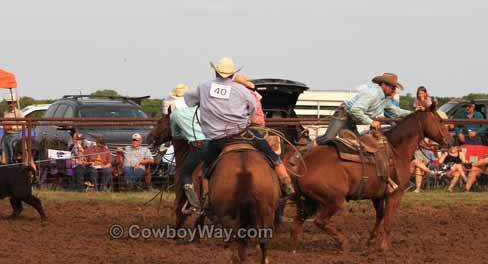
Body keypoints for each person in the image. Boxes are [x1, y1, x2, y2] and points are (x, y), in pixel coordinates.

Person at [183, 57, 294, 198]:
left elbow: (188, 100)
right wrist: (247, 119)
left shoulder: (204, 87)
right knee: (273, 157)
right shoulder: (242, 90)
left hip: (217, 140)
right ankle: (286, 182)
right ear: (232, 74)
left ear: (216, 72)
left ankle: (206, 196)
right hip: (243, 134)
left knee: (206, 168)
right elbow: (253, 108)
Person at [315, 73, 412, 145]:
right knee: (328, 138)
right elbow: (355, 109)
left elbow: (396, 111)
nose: (394, 90)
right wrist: (371, 122)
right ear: (383, 85)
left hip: (349, 118)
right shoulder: (372, 94)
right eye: (393, 87)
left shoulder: (385, 99)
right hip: (343, 114)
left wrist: (415, 113)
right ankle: (305, 151)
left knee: (357, 143)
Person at [170, 92, 208, 209]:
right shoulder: (199, 110)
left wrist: (186, 133)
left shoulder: (174, 115)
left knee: (185, 172)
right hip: (213, 143)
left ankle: (191, 195)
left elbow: (176, 135)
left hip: (198, 145)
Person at [1, 94, 24, 164]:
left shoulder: (19, 113)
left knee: (13, 154)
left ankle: (14, 167)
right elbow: (4, 125)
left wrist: (11, 127)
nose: (10, 104)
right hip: (6, 135)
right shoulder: (5, 113)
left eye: (11, 102)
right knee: (6, 154)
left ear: (15, 103)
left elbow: (23, 125)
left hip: (14, 135)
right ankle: (8, 168)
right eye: (9, 102)